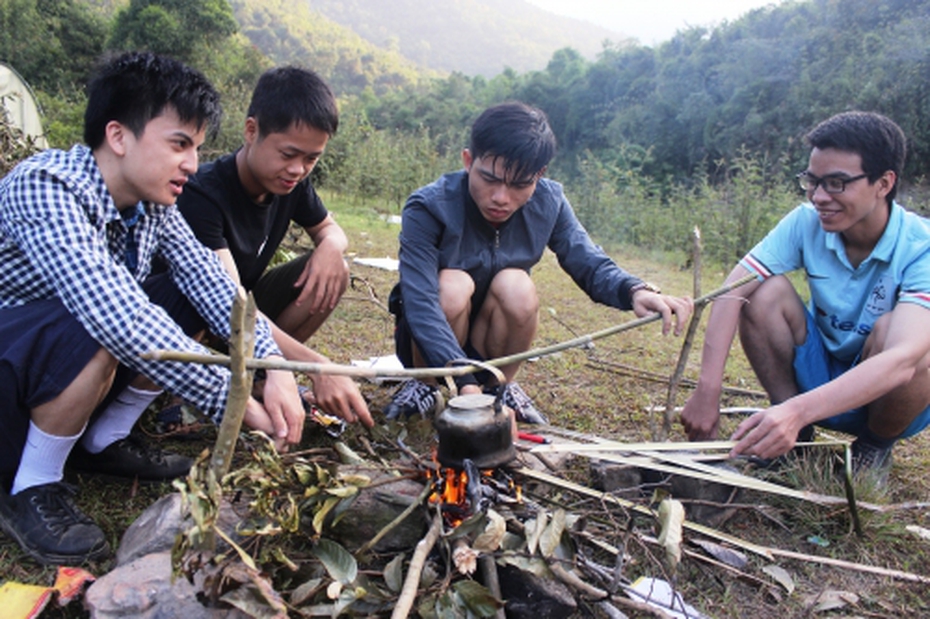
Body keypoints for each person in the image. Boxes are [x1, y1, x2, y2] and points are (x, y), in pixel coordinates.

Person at [0, 51, 307, 565]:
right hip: (12, 370)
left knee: (187, 293)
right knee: (106, 317)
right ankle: (29, 484)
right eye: (179, 144)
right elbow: (115, 315)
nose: (192, 163)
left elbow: (212, 285)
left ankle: (103, 440)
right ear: (119, 136)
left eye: (198, 147)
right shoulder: (46, 186)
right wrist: (233, 400)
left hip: (56, 364)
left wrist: (272, 366)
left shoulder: (152, 206)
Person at [385, 101, 694, 421]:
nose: (501, 197)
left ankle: (498, 387)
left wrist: (635, 291)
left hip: (491, 336)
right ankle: (426, 385)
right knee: (451, 285)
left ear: (539, 175)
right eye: (489, 179)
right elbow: (420, 300)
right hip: (429, 342)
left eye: (519, 184)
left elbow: (587, 259)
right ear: (468, 161)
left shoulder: (549, 202)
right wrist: (463, 382)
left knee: (517, 284)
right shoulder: (429, 206)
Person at [680, 111, 930, 480]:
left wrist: (798, 411)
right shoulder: (805, 222)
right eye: (812, 182)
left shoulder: (920, 246)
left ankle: (872, 448)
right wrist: (708, 388)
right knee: (761, 291)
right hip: (818, 374)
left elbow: (903, 360)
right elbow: (732, 290)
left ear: (883, 183)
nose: (819, 197)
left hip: (885, 397)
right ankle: (794, 439)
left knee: (917, 344)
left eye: (836, 183)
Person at [176, 66, 371, 427]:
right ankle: (183, 392)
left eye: (311, 159)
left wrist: (331, 245)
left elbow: (331, 229)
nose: (298, 169)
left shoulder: (290, 184)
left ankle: (263, 376)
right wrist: (315, 366)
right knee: (198, 308)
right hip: (198, 318)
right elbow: (228, 303)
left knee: (336, 268)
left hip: (246, 316)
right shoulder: (203, 194)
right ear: (252, 131)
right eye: (288, 154)